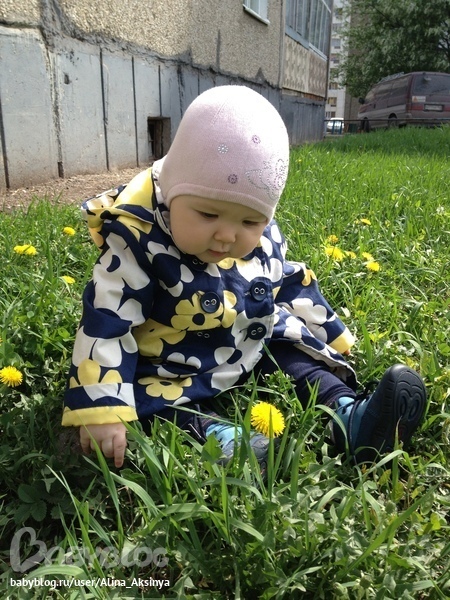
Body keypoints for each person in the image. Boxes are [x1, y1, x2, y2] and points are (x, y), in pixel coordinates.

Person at [62, 85, 427, 469]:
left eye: (251, 222)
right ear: (170, 192)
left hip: (248, 338)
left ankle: (348, 415)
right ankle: (222, 440)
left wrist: (331, 331)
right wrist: (102, 406)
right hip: (168, 361)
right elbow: (107, 317)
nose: (227, 235)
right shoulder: (137, 239)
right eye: (208, 215)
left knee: (291, 351)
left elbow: (287, 280)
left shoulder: (257, 231)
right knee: (150, 399)